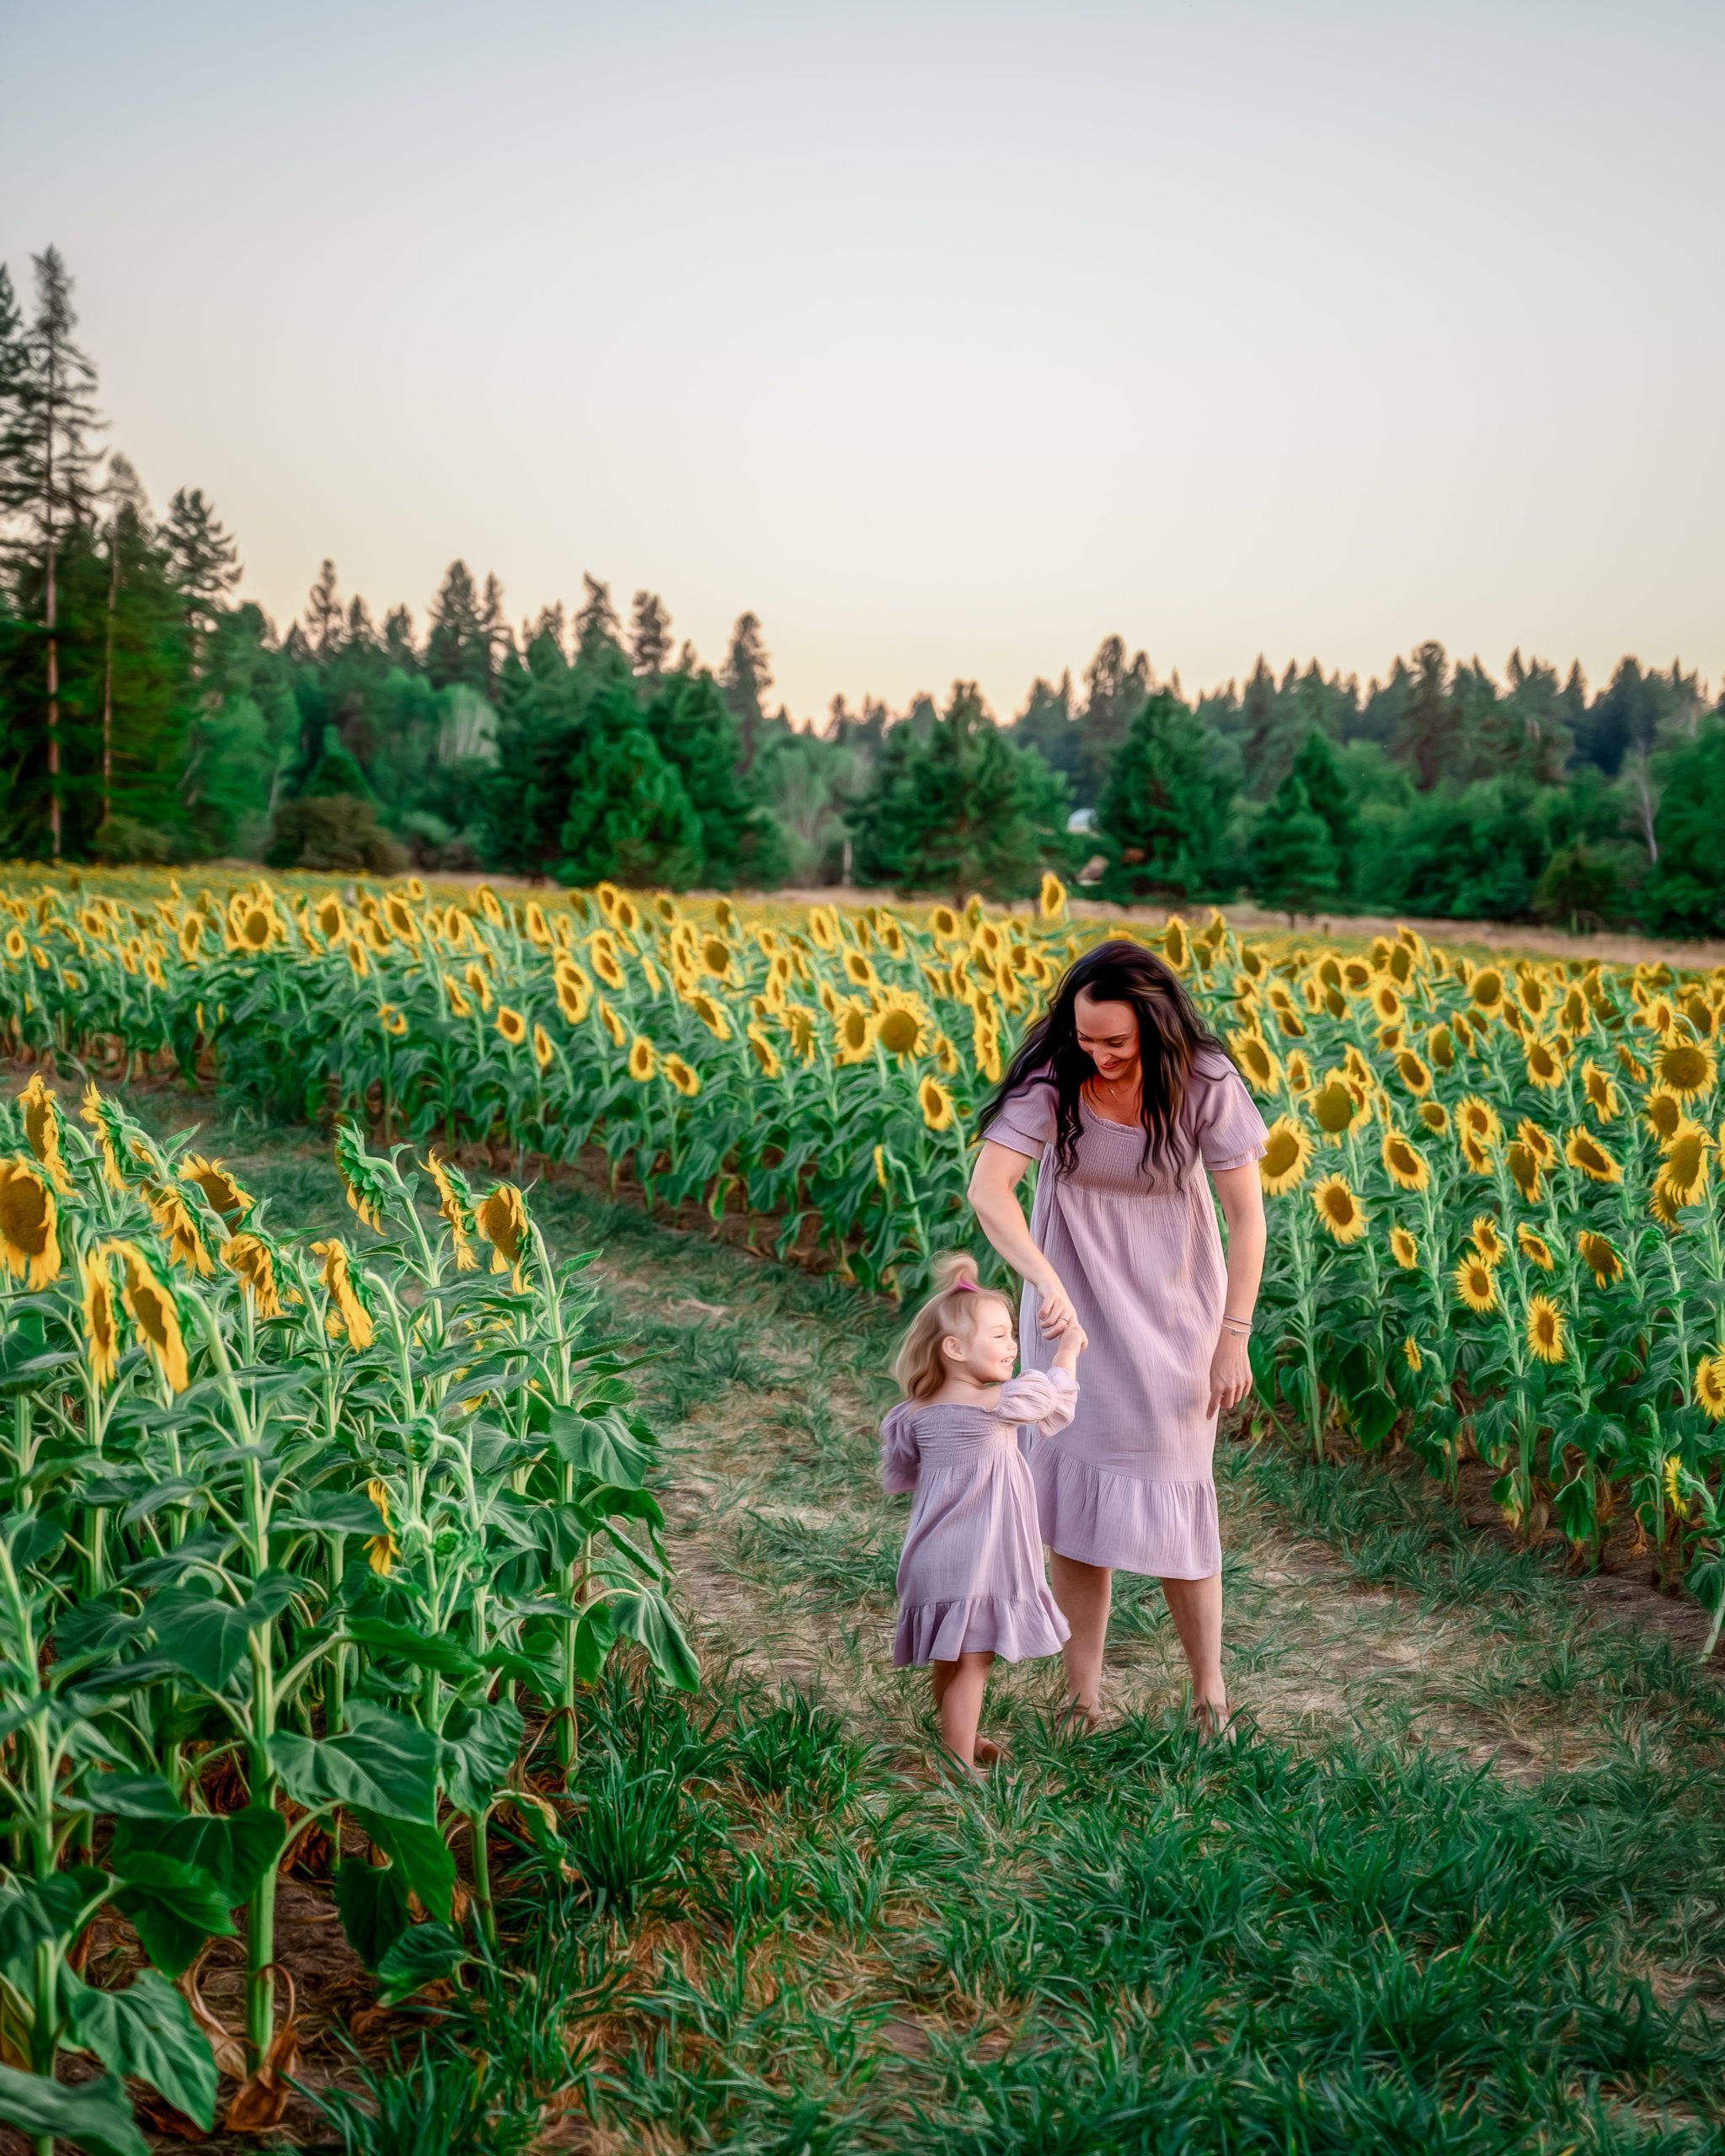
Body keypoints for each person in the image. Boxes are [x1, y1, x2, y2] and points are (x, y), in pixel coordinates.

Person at [968, 938, 1267, 1735]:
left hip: (1179, 1314)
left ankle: (1210, 1698)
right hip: (1072, 1316)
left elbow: (1247, 1218)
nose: (1095, 1054)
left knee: (1180, 1505)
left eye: (1115, 1042)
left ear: (1156, 1029)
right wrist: (1044, 1279)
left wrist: (1234, 1335)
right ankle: (1083, 1698)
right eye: (1084, 1037)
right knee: (1074, 1510)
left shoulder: (1205, 1081)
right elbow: (989, 1190)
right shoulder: (1056, 1078)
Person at [879, 1252, 1085, 1771]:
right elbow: (1054, 1396)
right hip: (979, 1558)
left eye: (1011, 1333)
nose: (1012, 1345)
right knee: (975, 1658)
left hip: (928, 1557)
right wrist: (1070, 1350)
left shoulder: (912, 1414)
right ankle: (956, 1762)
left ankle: (963, 1738)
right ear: (954, 1348)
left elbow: (903, 1468)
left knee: (951, 1652)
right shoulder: (999, 1405)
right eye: (999, 1335)